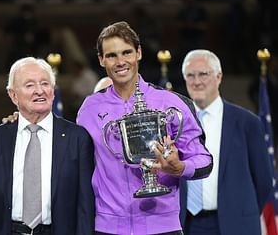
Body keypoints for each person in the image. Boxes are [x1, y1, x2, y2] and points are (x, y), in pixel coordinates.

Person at [76, 21, 213, 234]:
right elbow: (71, 153)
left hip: (163, 226)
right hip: (108, 227)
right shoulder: (90, 108)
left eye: (127, 52)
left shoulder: (173, 103)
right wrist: (26, 120)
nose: (120, 61)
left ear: (138, 53)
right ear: (101, 60)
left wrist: (179, 168)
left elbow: (204, 160)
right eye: (111, 55)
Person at [0, 57, 95, 235]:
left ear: (52, 91)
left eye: (45, 83)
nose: (39, 91)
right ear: (13, 95)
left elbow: (85, 204)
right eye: (29, 85)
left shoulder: (77, 138)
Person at [178, 49, 274, 235]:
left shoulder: (248, 123)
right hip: (187, 225)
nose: (196, 81)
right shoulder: (176, 123)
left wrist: (240, 211)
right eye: (190, 75)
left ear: (219, 77)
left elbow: (263, 182)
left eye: (203, 74)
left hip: (236, 225)